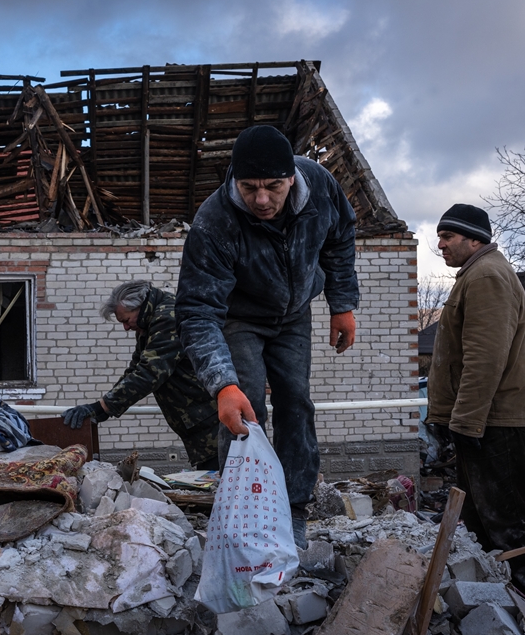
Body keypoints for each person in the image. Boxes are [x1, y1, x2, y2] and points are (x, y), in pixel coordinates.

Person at [175, 125, 358, 550]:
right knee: (246, 408)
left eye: (273, 187)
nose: (261, 200)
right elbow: (197, 312)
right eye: (249, 188)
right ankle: (245, 513)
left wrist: (342, 303)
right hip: (239, 317)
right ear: (235, 180)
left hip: (294, 315)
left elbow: (340, 237)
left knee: (296, 402)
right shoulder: (215, 221)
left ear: (291, 177)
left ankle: (294, 510)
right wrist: (223, 385)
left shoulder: (321, 187)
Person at [426, 203, 525, 630]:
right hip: (486, 419)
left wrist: (466, 421)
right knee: (481, 520)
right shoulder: (478, 274)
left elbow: (485, 359)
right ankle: (504, 606)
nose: (440, 244)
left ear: (474, 240)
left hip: (495, 421)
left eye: (448, 237)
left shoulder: (486, 276)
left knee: (509, 519)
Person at [62, 280, 220, 470]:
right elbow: (135, 369)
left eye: (126, 320)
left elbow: (150, 372)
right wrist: (105, 408)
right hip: (202, 421)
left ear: (140, 307)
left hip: (213, 419)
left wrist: (101, 406)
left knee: (220, 479)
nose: (126, 328)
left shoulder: (168, 317)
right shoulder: (149, 321)